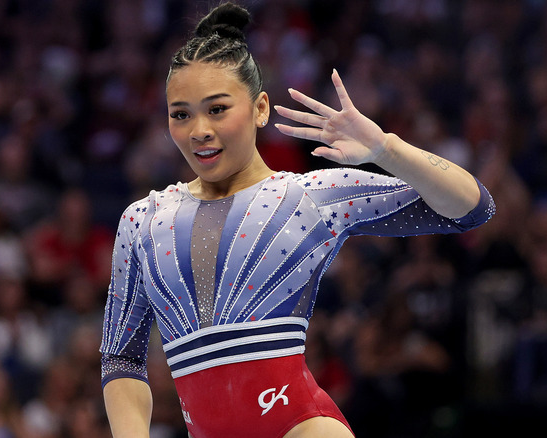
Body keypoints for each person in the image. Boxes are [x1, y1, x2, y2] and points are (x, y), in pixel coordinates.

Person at [99, 3, 495, 438]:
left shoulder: (310, 196)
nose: (199, 131)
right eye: (181, 114)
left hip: (302, 426)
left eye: (217, 109)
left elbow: (472, 208)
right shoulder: (142, 220)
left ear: (261, 109)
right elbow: (122, 357)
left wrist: (386, 149)